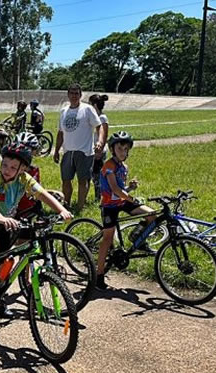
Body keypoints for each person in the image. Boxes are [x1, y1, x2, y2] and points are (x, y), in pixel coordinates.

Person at [0, 142, 72, 307]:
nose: (6, 170)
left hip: (5, 218)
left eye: (13, 167)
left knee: (3, 255)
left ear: (23, 169)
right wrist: (0, 218)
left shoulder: (24, 179)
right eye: (4, 165)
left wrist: (61, 210)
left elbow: (42, 194)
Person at [95, 131, 156, 289]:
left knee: (151, 215)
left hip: (122, 201)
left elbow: (122, 189)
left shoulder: (124, 167)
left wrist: (130, 188)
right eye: (120, 148)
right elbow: (115, 190)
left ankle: (137, 237)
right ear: (112, 149)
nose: (123, 152)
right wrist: (131, 198)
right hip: (109, 205)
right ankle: (99, 275)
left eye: (126, 149)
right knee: (107, 240)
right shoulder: (108, 166)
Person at [53, 83, 103, 213]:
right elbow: (60, 133)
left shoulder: (87, 109)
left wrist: (100, 141)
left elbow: (99, 126)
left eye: (77, 93)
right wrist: (57, 150)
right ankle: (66, 205)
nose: (74, 96)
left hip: (85, 151)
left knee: (82, 180)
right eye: (72, 93)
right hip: (68, 151)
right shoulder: (63, 111)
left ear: (80, 95)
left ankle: (80, 207)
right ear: (68, 95)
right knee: (66, 180)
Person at [89, 94, 110, 203]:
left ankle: (100, 198)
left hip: (99, 152)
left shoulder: (102, 118)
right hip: (92, 151)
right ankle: (99, 197)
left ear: (95, 105)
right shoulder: (94, 117)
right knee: (94, 176)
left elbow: (104, 135)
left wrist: (99, 151)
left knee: (98, 176)